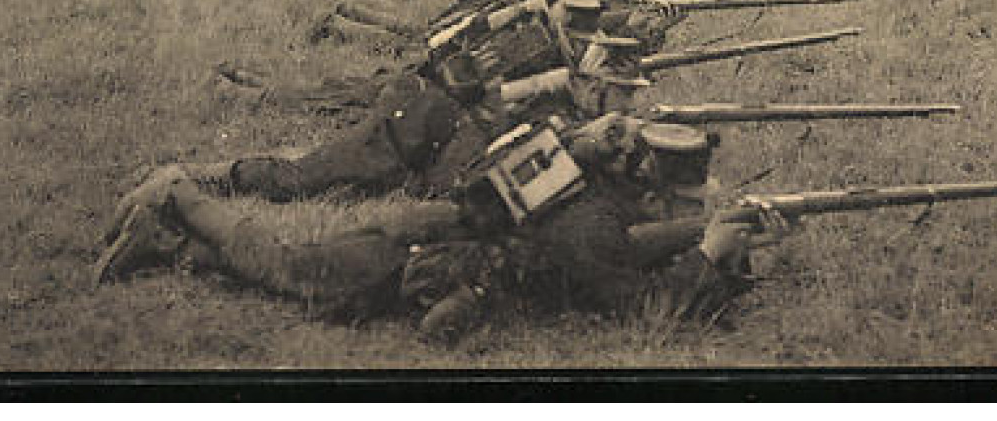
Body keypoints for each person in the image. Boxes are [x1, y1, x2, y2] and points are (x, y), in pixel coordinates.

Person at [94, 120, 766, 341]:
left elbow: (634, 245)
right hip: (412, 248)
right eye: (670, 194)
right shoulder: (591, 224)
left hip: (435, 238)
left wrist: (702, 230)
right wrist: (710, 253)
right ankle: (176, 192)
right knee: (291, 269)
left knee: (277, 274)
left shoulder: (597, 199)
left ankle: (168, 243)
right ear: (646, 183)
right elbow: (642, 307)